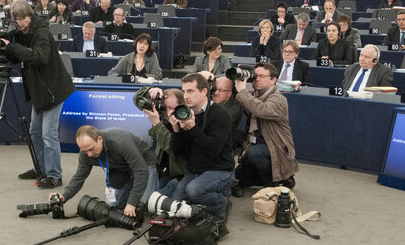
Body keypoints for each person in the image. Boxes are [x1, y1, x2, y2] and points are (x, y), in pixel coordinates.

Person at [4, 0, 75, 189]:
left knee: (48, 134)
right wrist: (7, 44)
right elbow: (19, 54)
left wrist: (11, 47)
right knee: (35, 132)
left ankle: (54, 175)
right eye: (15, 19)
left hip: (53, 90)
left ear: (29, 16)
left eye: (20, 19)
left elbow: (38, 57)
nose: (17, 23)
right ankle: (41, 168)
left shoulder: (42, 32)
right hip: (39, 92)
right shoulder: (23, 32)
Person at [165, 73, 235, 218]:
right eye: (184, 91)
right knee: (176, 208)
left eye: (190, 91)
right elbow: (179, 153)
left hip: (220, 169)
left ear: (204, 91)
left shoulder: (221, 114)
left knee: (193, 191)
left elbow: (213, 149)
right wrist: (177, 130)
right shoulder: (186, 113)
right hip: (196, 170)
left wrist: (192, 128)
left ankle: (222, 202)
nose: (186, 96)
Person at [49, 126, 156, 217]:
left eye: (91, 149)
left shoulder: (120, 142)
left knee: (145, 206)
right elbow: (79, 177)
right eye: (84, 151)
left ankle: (165, 183)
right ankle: (133, 186)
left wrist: (132, 203)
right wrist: (64, 196)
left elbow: (141, 171)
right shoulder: (86, 153)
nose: (89, 154)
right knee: (111, 206)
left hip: (144, 164)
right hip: (120, 169)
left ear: (99, 139)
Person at [233, 62, 299, 191]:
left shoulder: (279, 99)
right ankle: (282, 177)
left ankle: (273, 187)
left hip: (276, 148)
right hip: (256, 146)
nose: (256, 79)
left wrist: (242, 91)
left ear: (273, 80)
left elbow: (261, 110)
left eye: (261, 76)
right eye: (255, 75)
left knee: (255, 153)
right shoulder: (252, 95)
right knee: (239, 178)